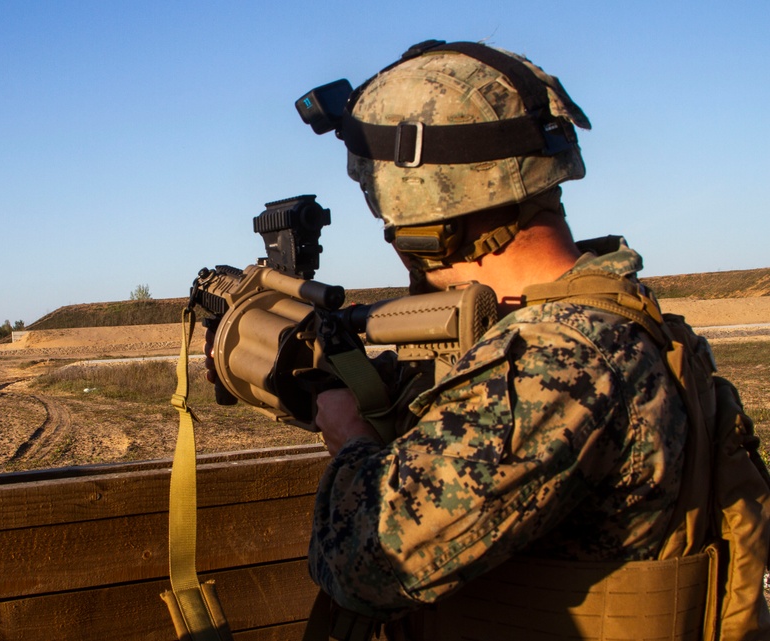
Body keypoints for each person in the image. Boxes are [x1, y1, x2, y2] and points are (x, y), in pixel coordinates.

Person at [298, 41, 731, 639]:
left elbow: (364, 567)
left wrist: (348, 435)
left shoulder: (556, 361)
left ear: (426, 220)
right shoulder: (619, 315)